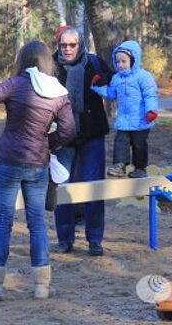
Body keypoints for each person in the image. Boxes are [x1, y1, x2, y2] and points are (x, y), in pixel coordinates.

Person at [0, 40, 75, 301]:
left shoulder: (16, 83)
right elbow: (69, 131)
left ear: (22, 60)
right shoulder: (59, 92)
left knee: (3, 222)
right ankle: (42, 286)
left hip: (9, 160)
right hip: (38, 165)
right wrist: (44, 143)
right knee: (37, 223)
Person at [52, 27, 114, 256]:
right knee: (61, 188)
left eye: (72, 45)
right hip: (61, 137)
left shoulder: (95, 63)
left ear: (80, 45)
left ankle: (95, 240)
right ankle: (64, 239)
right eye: (63, 45)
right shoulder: (50, 66)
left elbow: (115, 83)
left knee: (94, 187)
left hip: (92, 135)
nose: (67, 49)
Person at [90, 40, 158, 178]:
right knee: (120, 142)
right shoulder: (116, 78)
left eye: (124, 61)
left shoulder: (144, 77)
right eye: (117, 62)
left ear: (133, 60)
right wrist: (97, 86)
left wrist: (151, 111)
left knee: (139, 145)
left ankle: (140, 168)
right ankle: (120, 166)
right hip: (124, 120)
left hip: (141, 120)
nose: (120, 65)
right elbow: (111, 94)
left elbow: (150, 94)